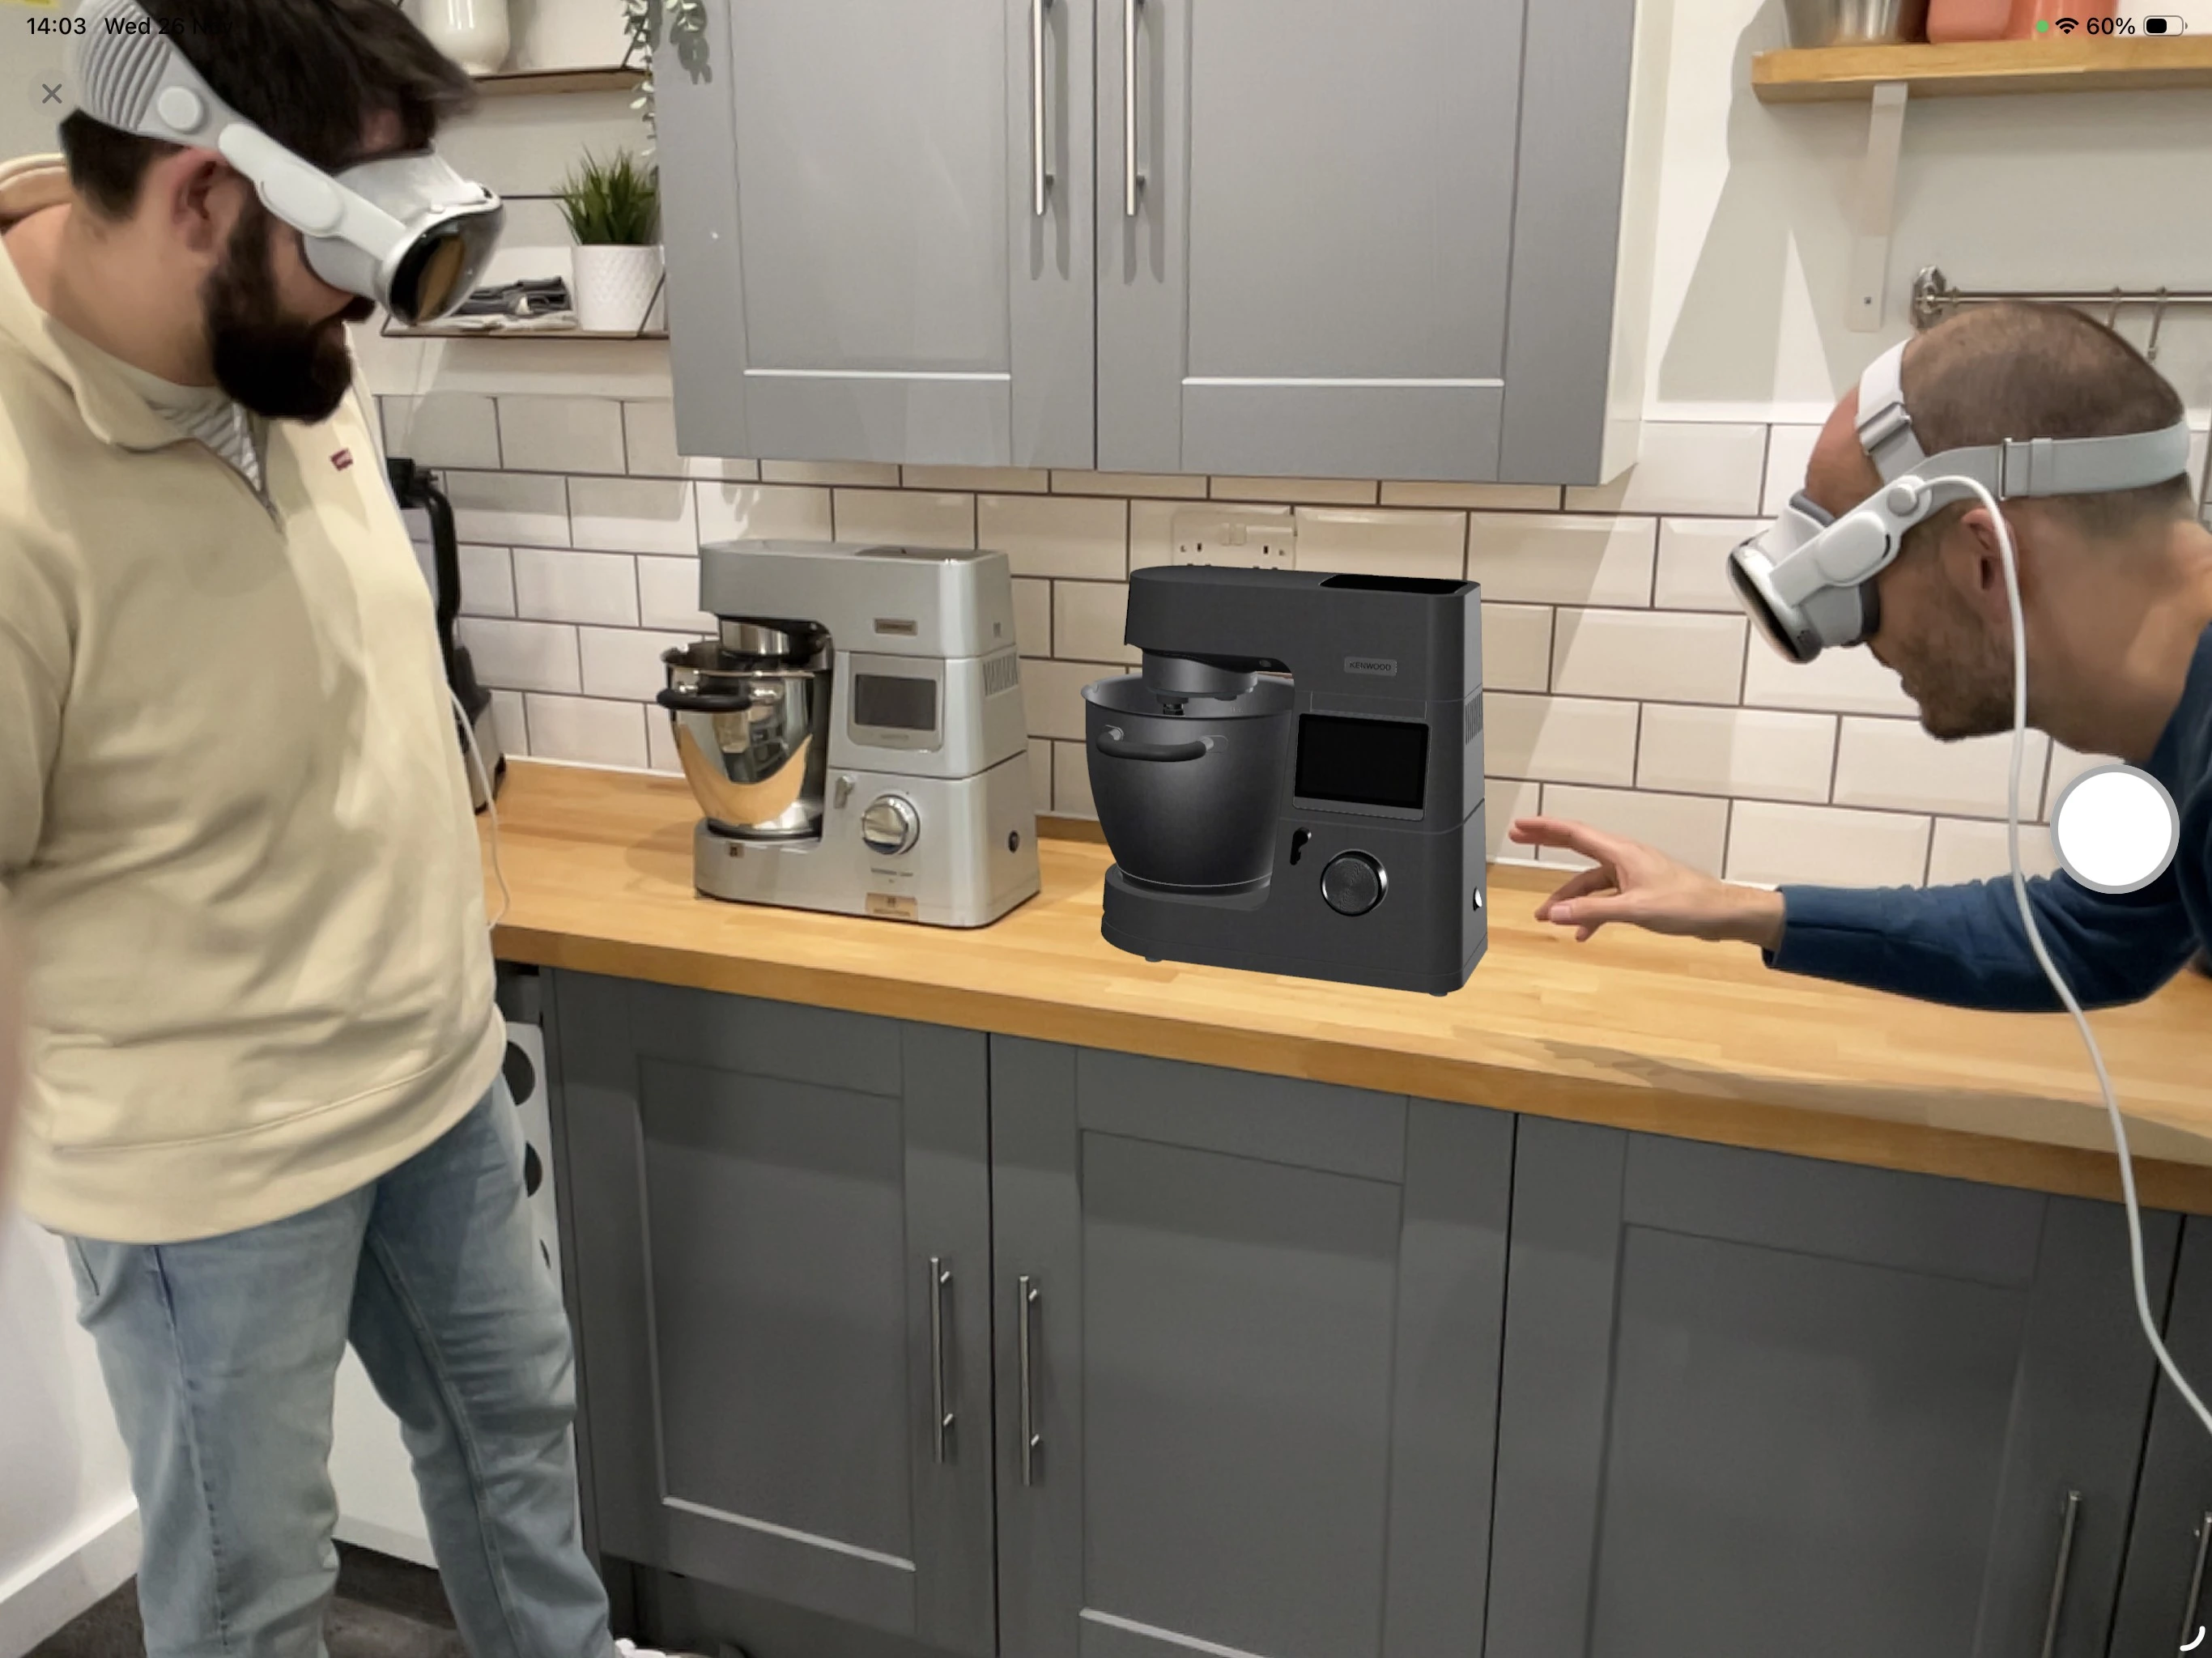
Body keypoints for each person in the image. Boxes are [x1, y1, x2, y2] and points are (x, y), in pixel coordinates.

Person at [0, 2, 688, 1653]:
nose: (365, 321)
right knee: (255, 1599)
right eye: (345, 257)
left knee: (516, 1443)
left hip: (431, 1074)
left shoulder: (275, 330)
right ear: (194, 198)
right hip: (210, 1169)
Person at [1512, 302, 2212, 1006]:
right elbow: (2086, 935)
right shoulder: (2184, 726)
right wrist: (1734, 907)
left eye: (1859, 596)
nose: (1858, 643)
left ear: (1985, 561)